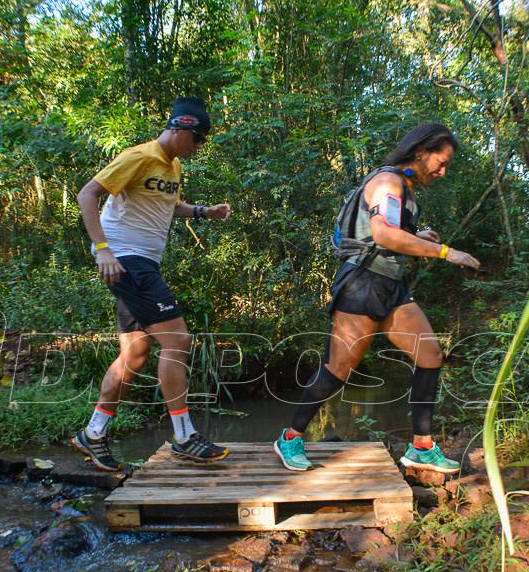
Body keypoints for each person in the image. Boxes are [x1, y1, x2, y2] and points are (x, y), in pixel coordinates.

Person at [272, 123, 481, 472]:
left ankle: (421, 447)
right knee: (338, 369)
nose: (443, 172)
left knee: (430, 355)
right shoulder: (388, 182)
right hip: (363, 285)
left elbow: (387, 231)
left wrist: (419, 235)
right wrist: (445, 251)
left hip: (390, 286)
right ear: (420, 151)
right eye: (440, 162)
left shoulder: (402, 187)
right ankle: (290, 438)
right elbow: (384, 235)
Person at [72, 97, 233, 471]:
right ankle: (184, 436)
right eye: (198, 139)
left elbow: (167, 205)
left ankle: (92, 434)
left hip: (143, 263)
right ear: (181, 128)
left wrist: (204, 212)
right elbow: (88, 194)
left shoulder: (173, 166)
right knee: (178, 341)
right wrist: (102, 251)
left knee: (135, 354)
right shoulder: (139, 156)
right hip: (128, 261)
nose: (199, 147)